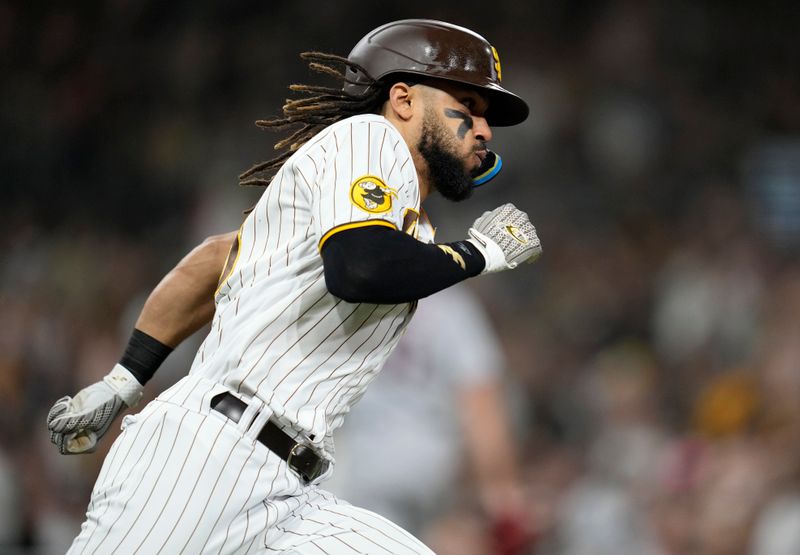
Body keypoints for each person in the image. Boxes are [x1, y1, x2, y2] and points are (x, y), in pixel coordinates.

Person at [46, 19, 541, 554]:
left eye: (487, 117)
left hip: (290, 493)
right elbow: (359, 268)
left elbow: (218, 259)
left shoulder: (397, 217)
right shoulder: (370, 138)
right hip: (206, 460)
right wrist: (480, 253)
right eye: (468, 106)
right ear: (402, 99)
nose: (485, 130)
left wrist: (124, 380)